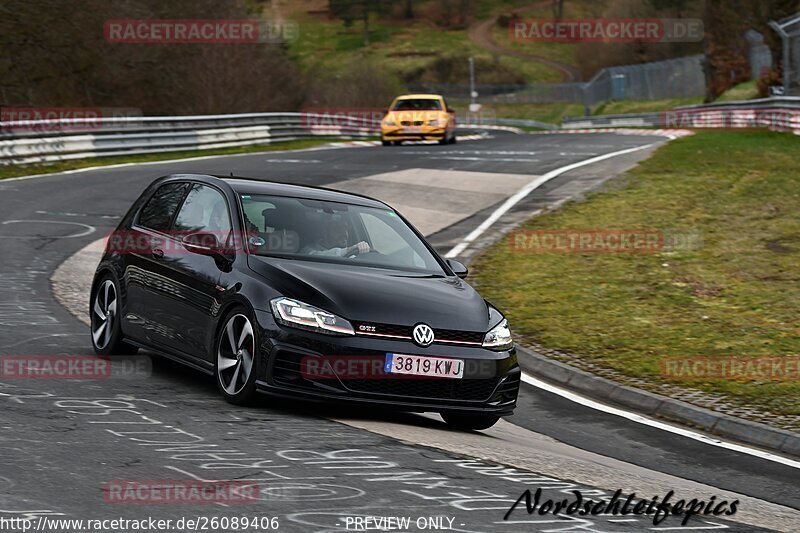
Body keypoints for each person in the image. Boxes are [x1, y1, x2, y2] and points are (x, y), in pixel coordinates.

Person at [302, 218, 370, 257]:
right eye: (338, 229)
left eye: (345, 228)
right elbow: (319, 256)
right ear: (325, 232)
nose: (343, 233)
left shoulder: (354, 254)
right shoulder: (308, 250)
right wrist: (349, 250)